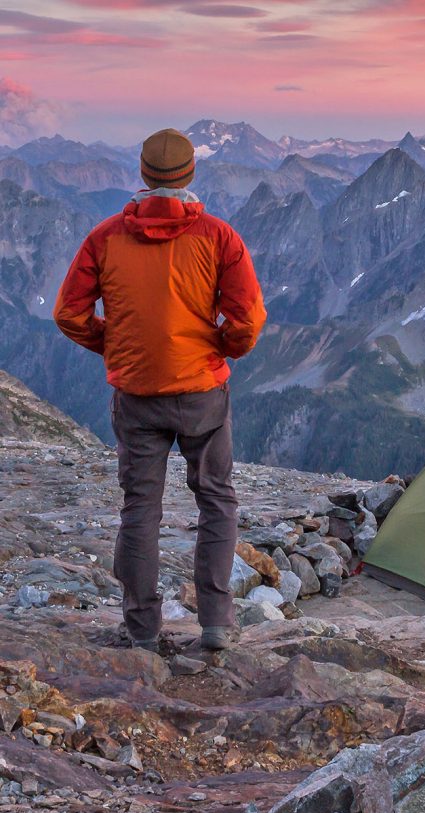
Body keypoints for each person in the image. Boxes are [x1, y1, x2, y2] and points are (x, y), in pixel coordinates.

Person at [54, 128, 266, 653]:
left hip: (136, 395)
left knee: (140, 506)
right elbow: (248, 318)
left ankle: (143, 631)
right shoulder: (219, 237)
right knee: (216, 499)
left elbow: (69, 313)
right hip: (202, 392)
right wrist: (220, 347)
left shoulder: (104, 238)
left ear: (144, 175)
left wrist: (116, 346)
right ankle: (216, 624)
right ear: (190, 174)